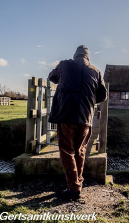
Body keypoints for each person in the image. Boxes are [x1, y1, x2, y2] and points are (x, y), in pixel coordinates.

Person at [48, 45, 107, 200]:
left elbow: (52, 77)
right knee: (80, 151)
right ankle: (77, 183)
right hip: (85, 117)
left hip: (66, 113)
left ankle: (74, 187)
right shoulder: (96, 71)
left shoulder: (65, 64)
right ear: (88, 57)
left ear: (75, 55)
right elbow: (103, 95)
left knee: (67, 150)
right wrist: (89, 99)